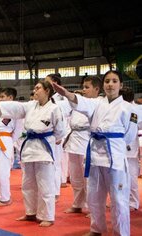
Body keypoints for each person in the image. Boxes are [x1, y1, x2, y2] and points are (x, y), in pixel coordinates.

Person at [52, 70, 137, 236]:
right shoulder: (97, 103)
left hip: (115, 157)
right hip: (96, 156)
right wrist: (67, 94)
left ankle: (121, 232)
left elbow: (129, 135)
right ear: (103, 85)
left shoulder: (128, 108)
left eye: (114, 81)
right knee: (94, 196)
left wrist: (113, 141)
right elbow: (82, 102)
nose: (110, 84)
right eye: (107, 81)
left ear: (120, 85)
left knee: (119, 199)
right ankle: (96, 228)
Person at [0, 81, 65, 226]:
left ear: (47, 90)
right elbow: (17, 107)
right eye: (35, 88)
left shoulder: (54, 109)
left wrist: (53, 139)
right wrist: (0, 105)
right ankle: (31, 212)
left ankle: (47, 216)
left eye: (38, 88)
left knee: (45, 184)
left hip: (43, 148)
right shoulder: (31, 105)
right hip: (29, 148)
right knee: (27, 184)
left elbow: (60, 131)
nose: (35, 91)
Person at [63, 76, 102, 214]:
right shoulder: (78, 102)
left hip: (87, 141)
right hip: (74, 140)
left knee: (89, 178)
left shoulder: (98, 103)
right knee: (75, 177)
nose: (84, 90)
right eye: (83, 87)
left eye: (87, 87)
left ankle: (92, 208)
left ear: (97, 89)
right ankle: (77, 204)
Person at [120, 86, 141, 211]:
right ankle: (122, 199)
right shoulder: (120, 108)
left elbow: (135, 127)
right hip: (118, 146)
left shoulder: (136, 110)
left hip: (131, 148)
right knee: (120, 177)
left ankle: (133, 202)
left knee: (131, 177)